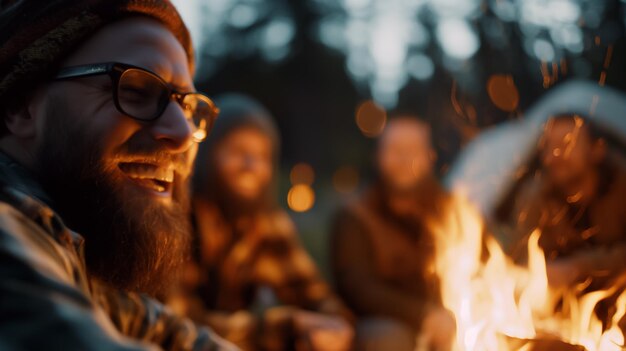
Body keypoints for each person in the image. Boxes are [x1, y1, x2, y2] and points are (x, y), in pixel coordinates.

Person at [0, 1, 236, 349]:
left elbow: (161, 330)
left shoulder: (66, 250)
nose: (183, 134)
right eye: (136, 90)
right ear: (21, 107)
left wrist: (290, 329)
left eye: (188, 106)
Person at [175, 94, 354, 351]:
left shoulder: (266, 223)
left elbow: (311, 291)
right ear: (209, 153)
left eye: (261, 156)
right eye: (238, 151)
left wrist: (336, 323)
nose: (250, 165)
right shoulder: (179, 217)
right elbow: (177, 323)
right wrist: (289, 326)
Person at [331, 117, 456, 351]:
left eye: (413, 150)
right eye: (395, 150)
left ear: (430, 157)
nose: (404, 159)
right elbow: (358, 289)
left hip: (450, 319)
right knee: (387, 338)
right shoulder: (355, 215)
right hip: (384, 324)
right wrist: (423, 315)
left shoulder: (453, 212)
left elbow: (486, 264)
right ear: (378, 157)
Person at [498, 114, 626, 290]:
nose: (553, 156)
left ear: (597, 149)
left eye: (566, 144)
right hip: (567, 305)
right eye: (548, 146)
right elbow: (520, 255)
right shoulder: (537, 197)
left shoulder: (620, 187)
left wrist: (578, 268)